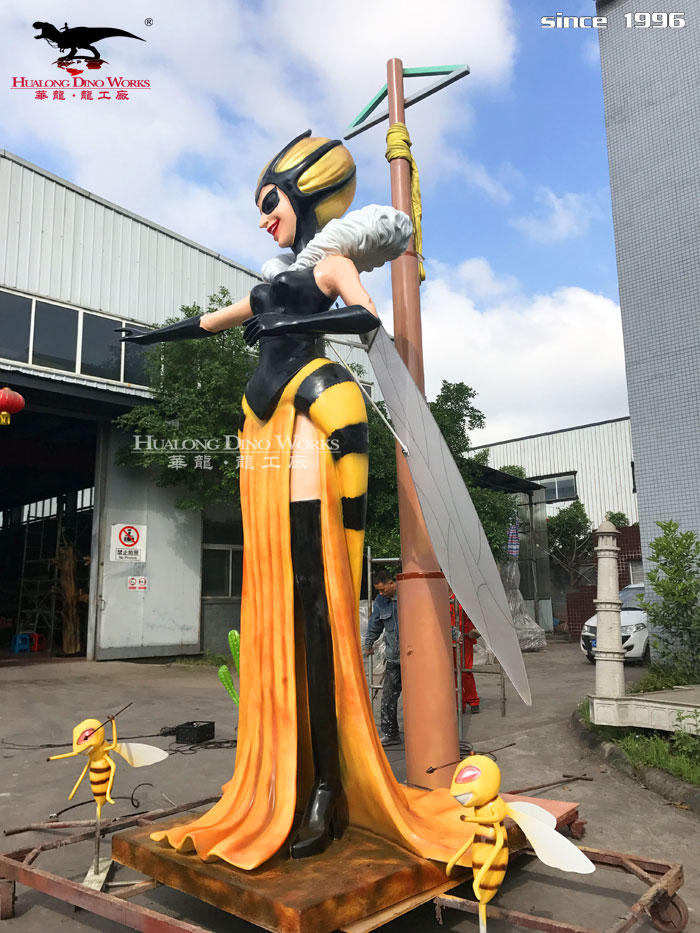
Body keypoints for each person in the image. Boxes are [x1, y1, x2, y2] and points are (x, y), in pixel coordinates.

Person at [118, 130, 474, 873]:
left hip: (313, 414)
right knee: (274, 594)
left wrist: (292, 323)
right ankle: (289, 774)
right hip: (261, 423)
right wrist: (148, 336)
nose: (262, 219)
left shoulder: (329, 264)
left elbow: (365, 319)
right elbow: (209, 323)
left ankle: (326, 787)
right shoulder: (269, 281)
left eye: (269, 202)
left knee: (315, 598)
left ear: (303, 195)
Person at [363, 570, 401, 745]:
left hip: (415, 659)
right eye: (378, 590)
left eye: (382, 589)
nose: (381, 593)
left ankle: (423, 733)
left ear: (391, 583)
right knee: (388, 698)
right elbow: (375, 624)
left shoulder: (409, 594)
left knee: (419, 698)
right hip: (394, 658)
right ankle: (391, 733)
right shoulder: (381, 601)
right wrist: (369, 644)